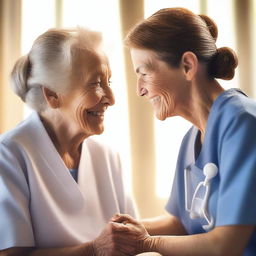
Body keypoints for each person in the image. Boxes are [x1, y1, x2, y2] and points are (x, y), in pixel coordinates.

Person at [109, 7, 256, 256]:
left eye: (144, 73)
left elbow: (225, 245)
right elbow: (178, 222)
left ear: (188, 65)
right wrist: (126, 230)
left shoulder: (243, 123)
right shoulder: (192, 139)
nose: (140, 90)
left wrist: (146, 243)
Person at [0, 27, 136, 256]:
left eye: (108, 82)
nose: (111, 100)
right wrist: (93, 250)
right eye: (95, 83)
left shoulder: (109, 157)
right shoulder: (10, 154)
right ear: (52, 94)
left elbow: (132, 242)